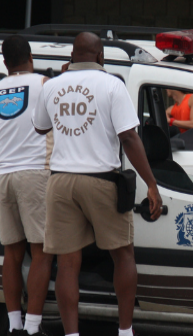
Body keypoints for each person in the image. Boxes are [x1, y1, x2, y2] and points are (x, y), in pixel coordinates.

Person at [33, 32, 162, 336]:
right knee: (123, 254)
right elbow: (129, 137)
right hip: (101, 180)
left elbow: (40, 128)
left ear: (72, 57)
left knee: (67, 264)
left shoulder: (51, 86)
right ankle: (125, 331)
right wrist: (151, 184)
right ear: (100, 57)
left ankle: (72, 334)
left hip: (61, 182)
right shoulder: (112, 85)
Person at [0, 35, 54, 336]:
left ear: (5, 63)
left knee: (11, 255)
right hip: (35, 173)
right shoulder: (44, 85)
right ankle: (33, 327)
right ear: (31, 57)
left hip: (3, 176)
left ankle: (14, 326)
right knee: (42, 252)